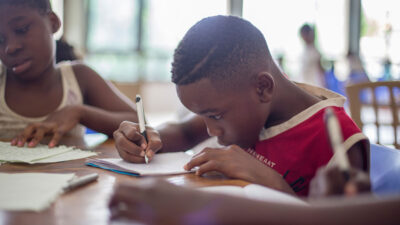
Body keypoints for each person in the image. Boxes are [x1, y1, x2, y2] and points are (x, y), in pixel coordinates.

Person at [113, 15, 369, 196]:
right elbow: (185, 132)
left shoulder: (338, 141)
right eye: (204, 117)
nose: (211, 131)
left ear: (262, 88)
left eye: (214, 115)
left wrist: (272, 182)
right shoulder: (248, 104)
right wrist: (147, 136)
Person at [0, 0, 137, 147]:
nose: (10, 48)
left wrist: (79, 113)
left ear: (53, 23)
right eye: (0, 40)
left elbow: (139, 124)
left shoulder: (79, 78)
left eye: (21, 29)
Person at [298, 23, 326, 87]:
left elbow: (321, 71)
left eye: (304, 34)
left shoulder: (315, 51)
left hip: (314, 85)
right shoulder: (304, 51)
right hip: (305, 85)